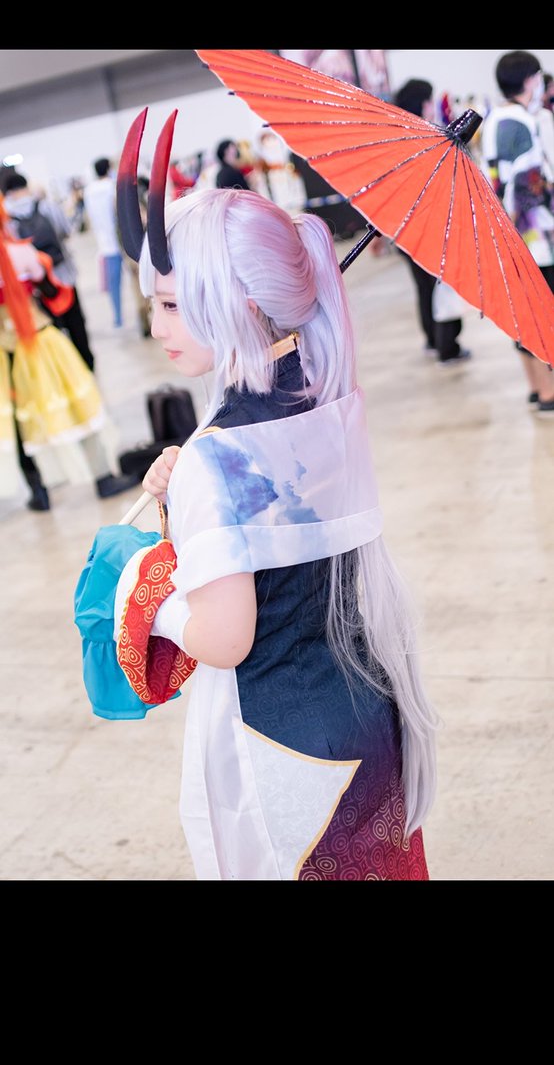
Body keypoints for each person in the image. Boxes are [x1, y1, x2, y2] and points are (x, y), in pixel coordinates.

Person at [103, 186, 437, 881]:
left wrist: (141, 586)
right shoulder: (324, 398)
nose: (156, 327)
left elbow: (225, 638)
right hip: (365, 711)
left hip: (282, 747)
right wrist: (184, 490)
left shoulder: (217, 456)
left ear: (244, 301)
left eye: (172, 305)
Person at [0, 197, 140, 509]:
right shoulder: (21, 253)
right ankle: (103, 477)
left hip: (4, 354)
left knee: (17, 423)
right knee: (79, 404)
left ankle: (39, 491)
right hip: (38, 343)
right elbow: (54, 294)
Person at [481, 51, 554, 417]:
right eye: (538, 77)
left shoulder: (495, 119)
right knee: (543, 315)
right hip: (533, 238)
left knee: (525, 316)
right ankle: (548, 393)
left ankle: (536, 388)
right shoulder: (521, 122)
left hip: (511, 236)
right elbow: (528, 187)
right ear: (528, 80)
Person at [393, 79, 471, 365]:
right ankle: (447, 346)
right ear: (422, 103)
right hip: (428, 227)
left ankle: (433, 341)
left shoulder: (396, 136)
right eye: (429, 100)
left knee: (424, 288)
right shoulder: (424, 138)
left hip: (402, 229)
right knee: (440, 287)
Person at [2, 171, 95, 371]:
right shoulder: (47, 206)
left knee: (53, 330)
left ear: (8, 192)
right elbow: (66, 231)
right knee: (76, 324)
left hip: (38, 287)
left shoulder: (8, 218)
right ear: (26, 186)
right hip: (64, 276)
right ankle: (88, 364)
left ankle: (67, 370)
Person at [83, 158, 124, 327]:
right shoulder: (112, 186)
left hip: (104, 243)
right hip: (121, 241)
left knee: (113, 284)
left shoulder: (89, 191)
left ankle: (118, 317)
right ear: (108, 168)